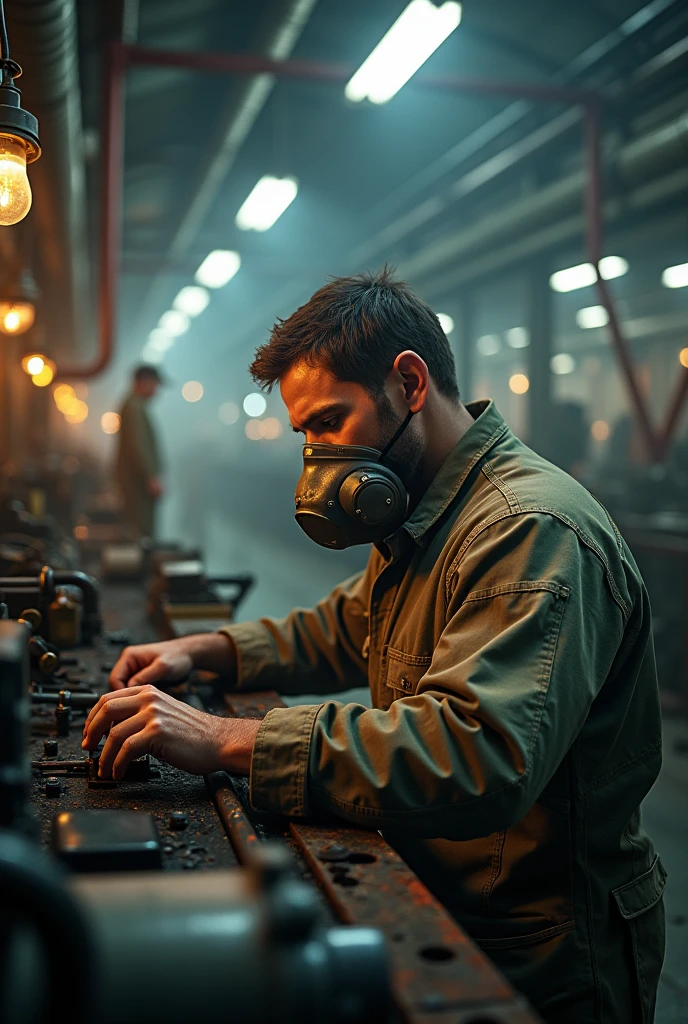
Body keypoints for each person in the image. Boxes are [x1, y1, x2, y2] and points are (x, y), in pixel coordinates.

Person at [83, 269, 665, 1024]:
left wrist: (226, 738)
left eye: (329, 422)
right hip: (458, 896)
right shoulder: (429, 508)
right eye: (306, 435)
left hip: (540, 947)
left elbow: (474, 755)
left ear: (410, 383)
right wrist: (208, 649)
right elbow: (346, 626)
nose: (317, 458)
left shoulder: (528, 531)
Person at [115, 364, 164, 539]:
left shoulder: (134, 405)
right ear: (144, 382)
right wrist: (150, 475)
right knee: (140, 530)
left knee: (138, 528)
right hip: (137, 482)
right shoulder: (134, 407)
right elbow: (138, 445)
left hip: (135, 479)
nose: (156, 391)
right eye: (155, 385)